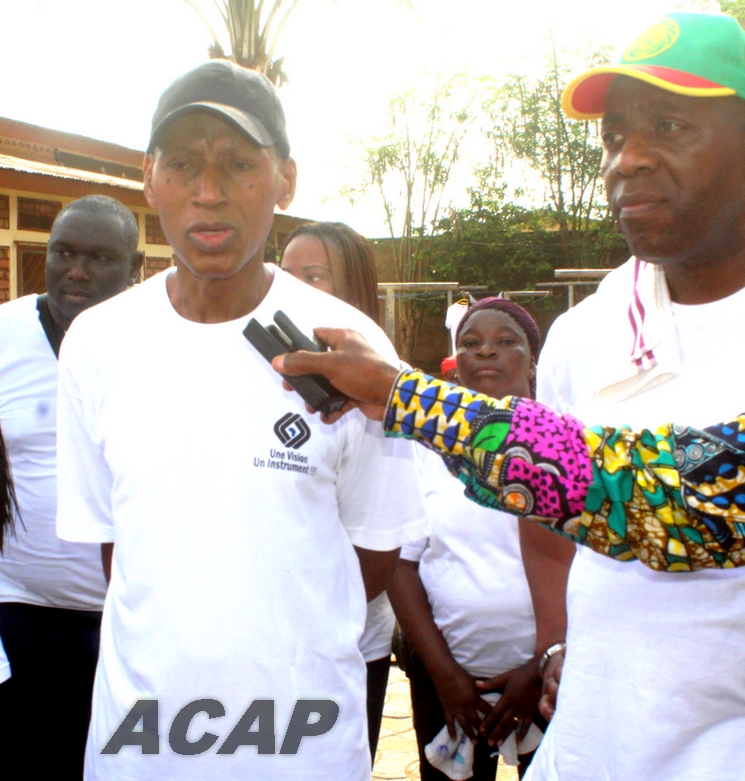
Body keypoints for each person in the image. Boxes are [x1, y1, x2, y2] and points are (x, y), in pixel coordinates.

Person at [275, 12, 745, 779]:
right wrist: (557, 642)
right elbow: (556, 514)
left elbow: (640, 489)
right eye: (614, 135)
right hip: (585, 749)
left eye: (668, 125)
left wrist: (402, 395)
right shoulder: (590, 330)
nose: (629, 160)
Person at [55, 60, 426, 781]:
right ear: (148, 175)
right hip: (143, 739)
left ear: (286, 178)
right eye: (184, 164)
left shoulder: (348, 345)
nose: (208, 193)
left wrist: (284, 634)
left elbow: (376, 551)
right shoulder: (96, 343)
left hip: (302, 743)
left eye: (238, 164)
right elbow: (115, 548)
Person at [0, 194, 143, 779]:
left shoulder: (159, 346)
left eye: (99, 257)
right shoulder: (4, 335)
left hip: (131, 626)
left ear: (134, 269)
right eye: (63, 252)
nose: (76, 270)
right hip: (20, 616)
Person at [389, 297, 544, 781]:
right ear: (456, 363)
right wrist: (444, 675)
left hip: (549, 683)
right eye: (471, 344)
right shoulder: (426, 449)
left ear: (533, 361)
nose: (486, 353)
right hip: (450, 685)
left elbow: (595, 570)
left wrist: (541, 664)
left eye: (505, 342)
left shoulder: (569, 448)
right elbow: (401, 565)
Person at [280, 220, 393, 765]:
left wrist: (316, 623)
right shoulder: (268, 371)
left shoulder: (382, 391)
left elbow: (380, 549)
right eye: (285, 274)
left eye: (314, 277)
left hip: (344, 647)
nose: (292, 289)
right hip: (268, 645)